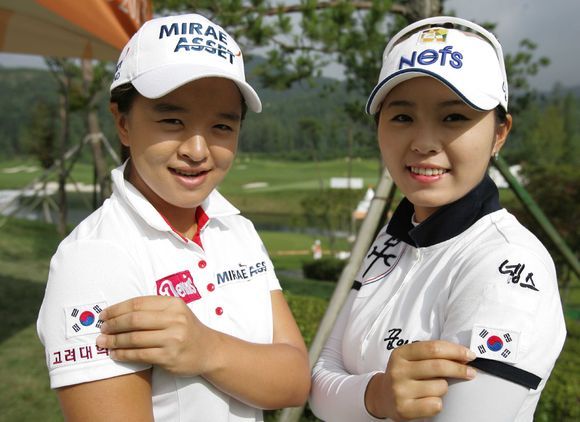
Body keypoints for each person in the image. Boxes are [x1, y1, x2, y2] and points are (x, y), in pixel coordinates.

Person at [37, 13, 310, 421]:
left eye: (222, 126)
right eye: (172, 121)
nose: (197, 150)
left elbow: (295, 382)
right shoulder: (93, 257)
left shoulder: (237, 228)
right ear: (123, 122)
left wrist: (206, 349)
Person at [309, 16, 566, 421]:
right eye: (402, 117)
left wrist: (355, 397)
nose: (424, 143)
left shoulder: (508, 265)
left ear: (500, 133)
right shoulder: (394, 236)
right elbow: (319, 380)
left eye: (453, 118)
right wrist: (378, 394)